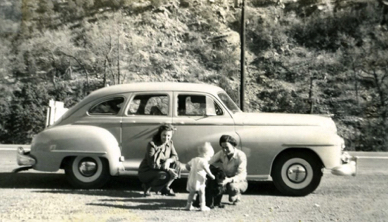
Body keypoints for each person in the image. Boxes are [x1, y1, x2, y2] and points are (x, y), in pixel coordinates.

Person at [138, 124, 182, 197]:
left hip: (161, 168)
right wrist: (168, 169)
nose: (166, 138)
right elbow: (152, 164)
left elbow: (175, 156)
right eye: (164, 135)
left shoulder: (170, 143)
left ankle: (165, 188)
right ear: (160, 134)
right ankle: (147, 185)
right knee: (164, 175)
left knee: (177, 165)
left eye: (169, 135)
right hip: (148, 171)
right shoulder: (152, 145)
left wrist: (168, 161)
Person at [209, 135, 248, 204]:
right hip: (226, 178)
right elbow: (209, 161)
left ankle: (236, 195)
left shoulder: (241, 155)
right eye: (223, 147)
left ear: (233, 145)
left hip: (238, 181)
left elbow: (241, 175)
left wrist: (228, 180)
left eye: (227, 147)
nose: (224, 150)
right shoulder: (221, 153)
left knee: (232, 189)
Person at [185, 142, 216, 211]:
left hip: (192, 179)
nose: (210, 159)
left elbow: (187, 165)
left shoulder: (193, 159)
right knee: (202, 193)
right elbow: (206, 169)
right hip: (199, 180)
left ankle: (188, 205)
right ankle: (202, 206)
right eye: (210, 157)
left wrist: (190, 170)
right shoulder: (204, 161)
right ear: (206, 154)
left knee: (191, 193)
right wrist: (211, 175)